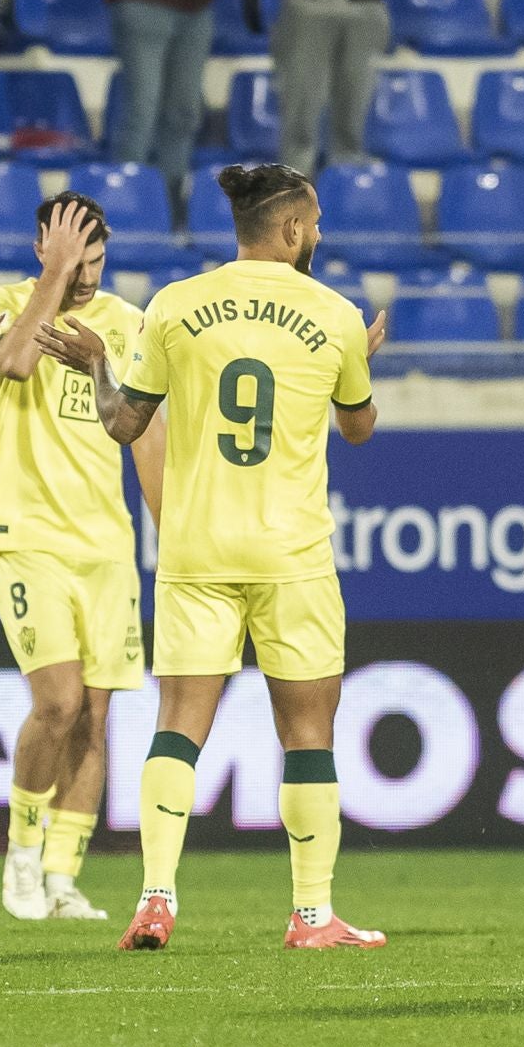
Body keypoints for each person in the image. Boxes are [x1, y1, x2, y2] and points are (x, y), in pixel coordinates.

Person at [34, 162, 391, 952]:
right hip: (290, 552)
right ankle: (311, 915)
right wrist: (357, 362)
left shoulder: (175, 305)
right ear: (293, 229)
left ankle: (156, 898)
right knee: (308, 735)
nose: (320, 233)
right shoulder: (333, 313)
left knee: (177, 729)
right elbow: (359, 429)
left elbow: (125, 426)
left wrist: (96, 364)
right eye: (317, 221)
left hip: (195, 548)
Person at [0, 193, 165, 921]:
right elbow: (16, 363)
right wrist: (52, 280)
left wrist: (168, 533)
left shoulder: (130, 322)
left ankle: (61, 874)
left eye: (95, 255)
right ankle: (21, 858)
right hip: (27, 539)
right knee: (54, 702)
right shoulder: (5, 304)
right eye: (71, 254)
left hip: (106, 548)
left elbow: (143, 433)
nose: (87, 270)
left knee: (94, 718)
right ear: (44, 251)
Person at [105, 0, 273, 202]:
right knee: (141, 112)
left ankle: (170, 209)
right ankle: (125, 209)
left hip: (194, 4)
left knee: (183, 114)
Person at [270, 0, 400, 176]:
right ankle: (296, 201)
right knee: (300, 111)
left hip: (365, 2)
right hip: (306, 2)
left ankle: (345, 192)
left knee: (354, 112)